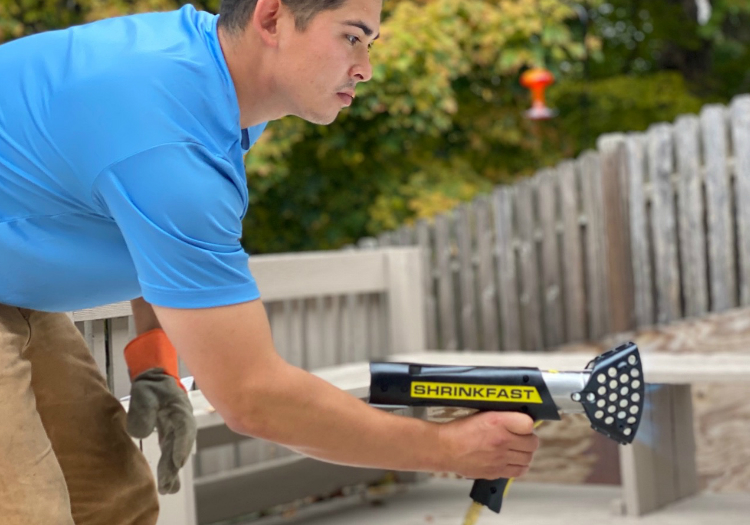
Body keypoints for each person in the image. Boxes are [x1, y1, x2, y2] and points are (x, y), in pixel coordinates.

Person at [0, 0, 539, 523]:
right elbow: (252, 398)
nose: (366, 68)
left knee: (113, 498)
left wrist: (155, 365)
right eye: (352, 37)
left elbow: (153, 234)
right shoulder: (169, 137)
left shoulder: (218, 92)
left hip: (18, 291)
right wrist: (448, 449)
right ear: (273, 17)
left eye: (371, 43)